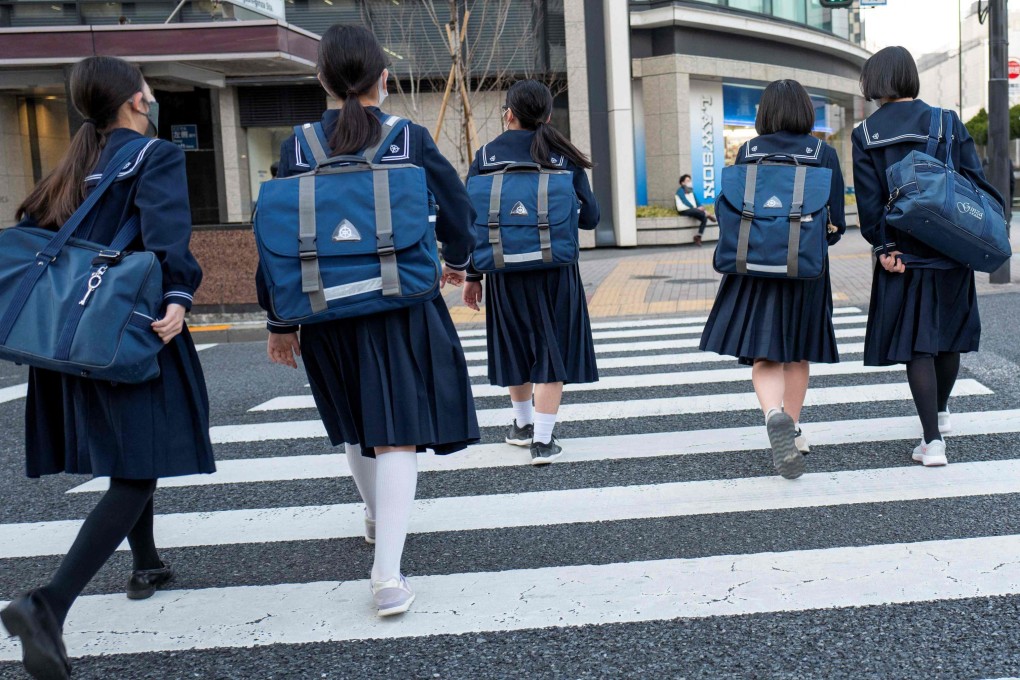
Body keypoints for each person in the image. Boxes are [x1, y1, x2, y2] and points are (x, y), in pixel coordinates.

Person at [0, 56, 214, 679]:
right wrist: (179, 297)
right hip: (127, 332)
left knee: (130, 454)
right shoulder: (154, 155)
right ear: (135, 100)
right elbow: (168, 237)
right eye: (147, 87)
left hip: (70, 342)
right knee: (139, 469)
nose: (151, 95)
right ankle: (48, 604)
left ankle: (145, 563)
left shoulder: (74, 163)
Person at [258, 24, 479, 616]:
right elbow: (457, 209)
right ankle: (387, 577)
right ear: (384, 78)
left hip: (323, 308)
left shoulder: (299, 146)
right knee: (397, 429)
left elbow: (275, 239)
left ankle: (378, 517)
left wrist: (280, 322)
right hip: (401, 303)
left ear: (322, 80)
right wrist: (457, 263)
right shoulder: (407, 137)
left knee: (356, 424)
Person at [851, 46, 1002, 467]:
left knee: (918, 342)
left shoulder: (866, 134)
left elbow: (869, 202)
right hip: (953, 245)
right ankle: (941, 411)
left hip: (904, 252)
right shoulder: (946, 121)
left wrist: (883, 247)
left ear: (874, 82)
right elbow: (974, 182)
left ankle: (932, 441)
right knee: (948, 336)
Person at [700, 79, 845, 480]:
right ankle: (792, 429)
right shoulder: (823, 153)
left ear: (764, 113)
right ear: (805, 111)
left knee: (765, 354)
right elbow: (837, 224)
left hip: (755, 268)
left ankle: (772, 416)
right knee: (797, 353)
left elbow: (733, 210)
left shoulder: (748, 151)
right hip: (805, 270)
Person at [462, 80, 600, 465]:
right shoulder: (563, 156)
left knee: (514, 345)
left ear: (509, 114)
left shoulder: (486, 156)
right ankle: (543, 440)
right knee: (550, 347)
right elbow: (591, 217)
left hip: (503, 271)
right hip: (556, 270)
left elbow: (472, 221)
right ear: (548, 116)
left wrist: (473, 276)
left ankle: (522, 426)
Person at [675, 174, 717, 245]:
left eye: (690, 180)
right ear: (682, 183)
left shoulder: (691, 191)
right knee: (698, 211)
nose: (690, 182)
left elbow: (697, 202)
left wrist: (701, 207)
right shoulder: (680, 191)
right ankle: (706, 214)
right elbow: (685, 201)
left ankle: (698, 237)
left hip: (693, 210)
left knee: (704, 218)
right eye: (687, 181)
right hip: (683, 210)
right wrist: (696, 208)